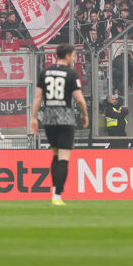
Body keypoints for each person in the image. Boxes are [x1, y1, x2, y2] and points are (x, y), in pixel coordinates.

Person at [29, 44, 88, 206]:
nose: (74, 59)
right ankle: (57, 195)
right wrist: (84, 115)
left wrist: (34, 118)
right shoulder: (71, 73)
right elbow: (79, 99)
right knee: (63, 157)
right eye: (73, 55)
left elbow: (38, 97)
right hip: (65, 119)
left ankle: (54, 194)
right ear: (67, 55)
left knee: (55, 155)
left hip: (49, 119)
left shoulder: (45, 72)